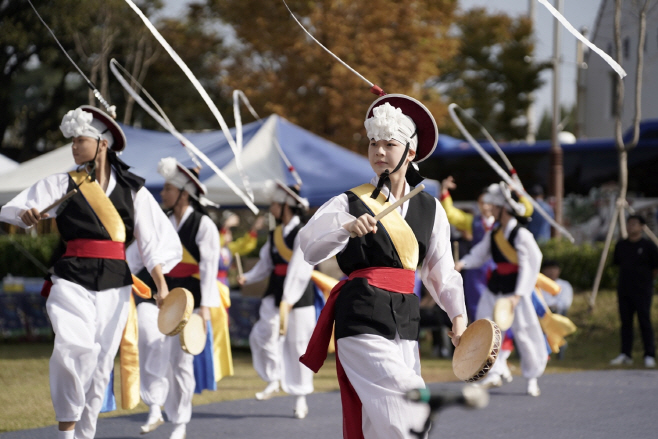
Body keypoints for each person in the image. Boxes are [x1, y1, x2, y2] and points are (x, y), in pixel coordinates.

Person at [0, 106, 181, 439]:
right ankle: (65, 434)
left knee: (100, 367)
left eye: (80, 140)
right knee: (71, 347)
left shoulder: (134, 191)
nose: (73, 146)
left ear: (102, 144)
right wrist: (24, 215)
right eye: (72, 141)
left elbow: (152, 244)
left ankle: (85, 435)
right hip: (70, 278)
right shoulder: (64, 183)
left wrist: (161, 286)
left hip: (116, 285)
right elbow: (14, 208)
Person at [298, 94, 467, 439]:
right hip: (360, 315)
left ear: (410, 152)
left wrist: (459, 317)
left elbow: (441, 272)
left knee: (381, 424)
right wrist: (345, 228)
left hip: (405, 321)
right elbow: (308, 246)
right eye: (374, 143)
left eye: (390, 143)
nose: (379, 151)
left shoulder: (431, 208)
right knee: (410, 407)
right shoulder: (349, 201)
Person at [129, 157, 222, 439]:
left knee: (181, 362)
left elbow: (209, 269)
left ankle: (180, 421)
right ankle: (155, 405)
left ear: (184, 192)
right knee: (149, 340)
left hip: (191, 300)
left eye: (168, 188)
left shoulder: (204, 225)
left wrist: (205, 308)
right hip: (162, 295)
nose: (163, 193)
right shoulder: (162, 221)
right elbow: (138, 255)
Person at [456, 182, 547, 397]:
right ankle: (494, 373)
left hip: (516, 291)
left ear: (502, 209)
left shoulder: (521, 235)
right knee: (487, 330)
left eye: (494, 207)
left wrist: (519, 295)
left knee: (525, 333)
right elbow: (480, 253)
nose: (490, 211)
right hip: (495, 287)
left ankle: (532, 378)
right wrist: (462, 264)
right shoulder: (495, 233)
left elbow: (532, 262)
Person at [237, 181, 317, 419]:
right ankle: (274, 377)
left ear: (286, 206)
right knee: (262, 333)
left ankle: (300, 396)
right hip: (275, 291)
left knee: (299, 345)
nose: (271, 207)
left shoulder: (304, 232)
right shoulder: (275, 234)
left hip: (298, 294)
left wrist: (289, 298)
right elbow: (265, 265)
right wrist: (248, 277)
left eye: (274, 203)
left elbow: (301, 268)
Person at [610, 214, 658, 368]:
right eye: (629, 224)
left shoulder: (649, 246)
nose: (631, 227)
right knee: (626, 323)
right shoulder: (621, 245)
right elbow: (617, 263)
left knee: (644, 321)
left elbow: (655, 268)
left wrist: (646, 281)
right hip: (624, 290)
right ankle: (626, 354)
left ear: (642, 227)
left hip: (643, 290)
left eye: (634, 224)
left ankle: (649, 354)